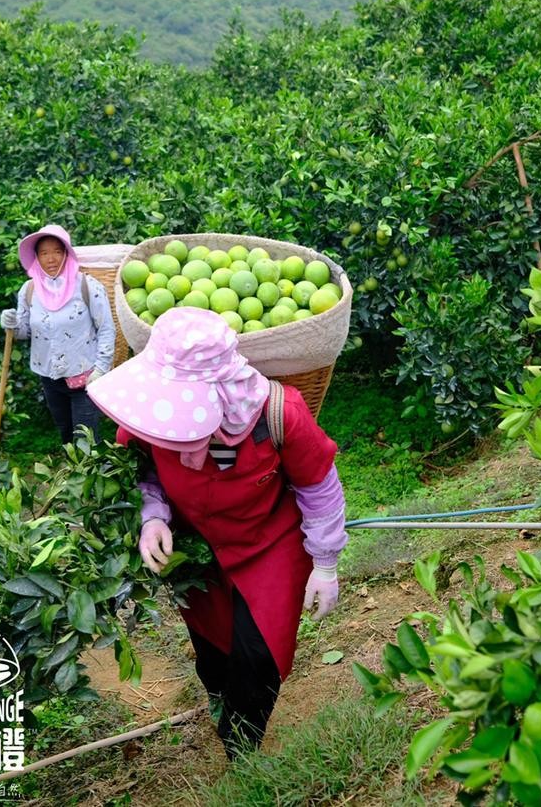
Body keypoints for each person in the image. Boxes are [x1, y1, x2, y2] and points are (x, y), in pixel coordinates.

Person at [87, 307, 347, 758]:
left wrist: (325, 563)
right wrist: (153, 517)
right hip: (197, 543)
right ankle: (217, 695)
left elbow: (318, 484)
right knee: (212, 646)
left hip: (270, 542)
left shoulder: (278, 412)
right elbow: (143, 471)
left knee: (259, 653)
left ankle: (239, 750)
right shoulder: (154, 410)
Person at [0, 224, 116, 444]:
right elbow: (24, 333)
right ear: (36, 257)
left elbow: (107, 329)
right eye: (44, 253)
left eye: (57, 251)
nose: (51, 258)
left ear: (66, 254)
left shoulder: (87, 286)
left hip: (85, 378)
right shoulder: (29, 289)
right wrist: (11, 324)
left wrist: (101, 368)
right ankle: (72, 475)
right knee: (65, 433)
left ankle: (92, 476)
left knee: (86, 440)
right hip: (49, 377)